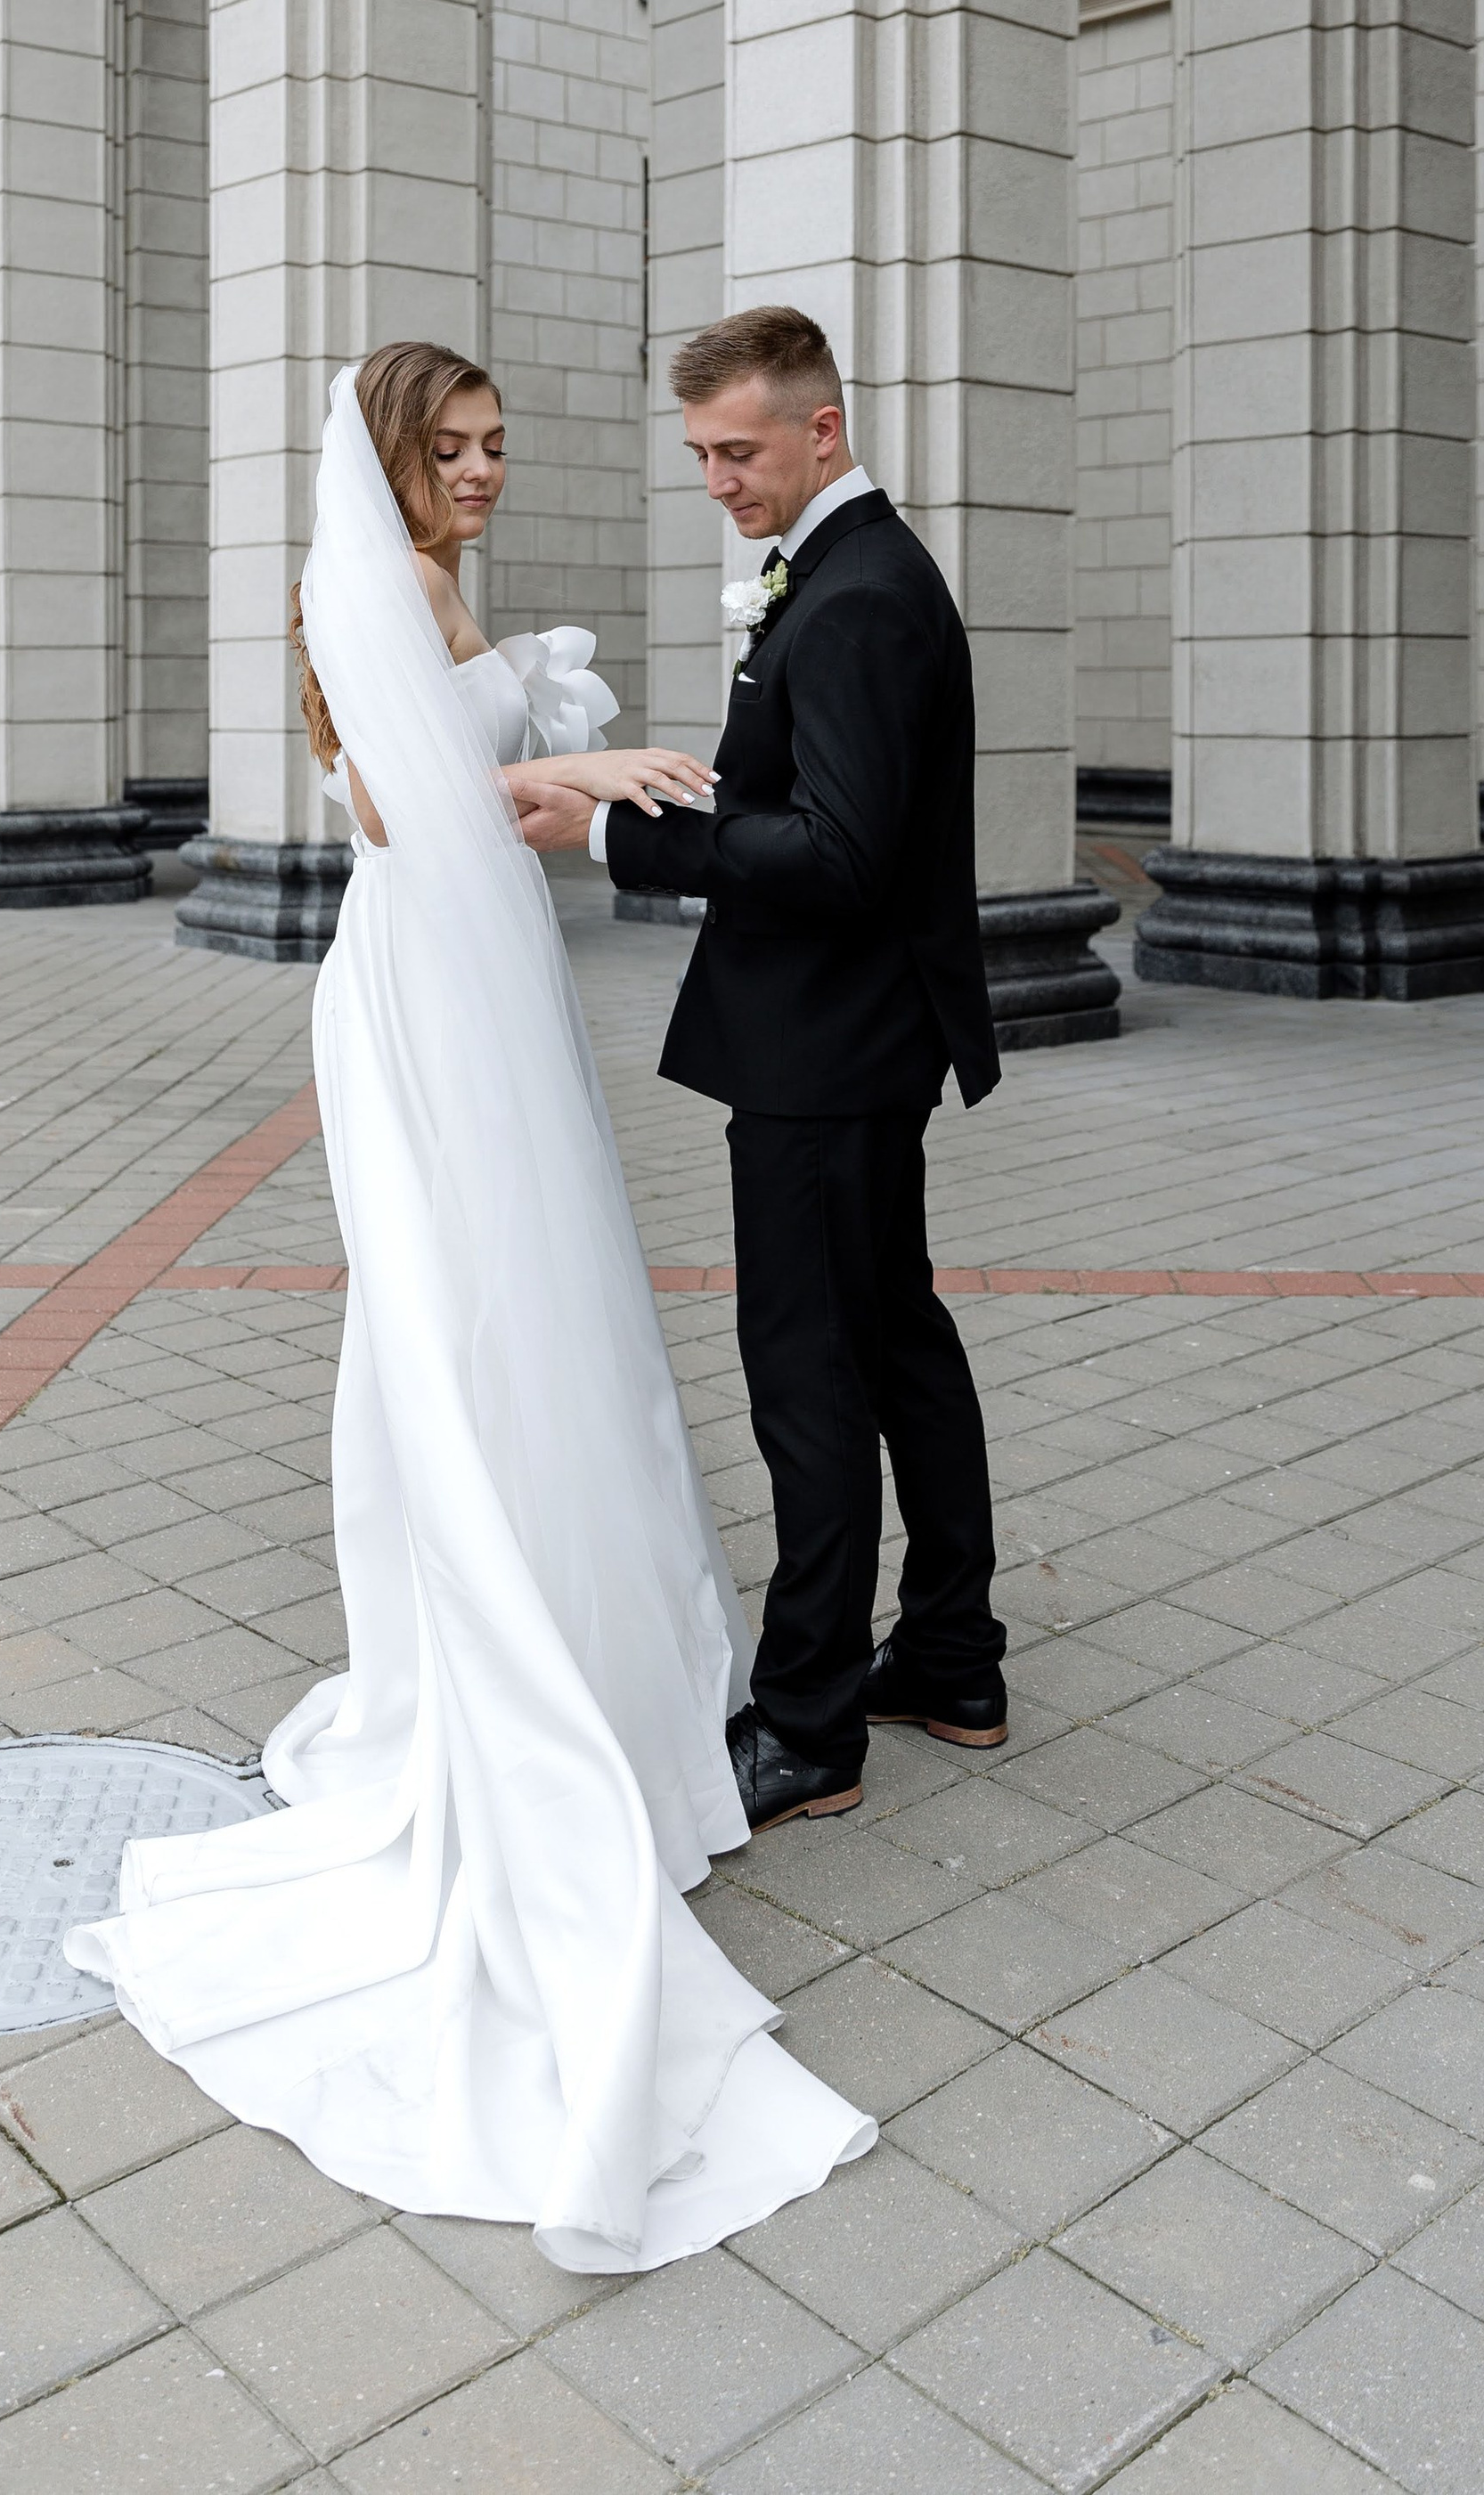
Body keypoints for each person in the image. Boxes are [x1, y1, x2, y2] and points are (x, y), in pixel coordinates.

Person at [68, 344, 871, 2273]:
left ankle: (594, 1655)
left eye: (500, 446)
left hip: (475, 959)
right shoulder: (385, 587)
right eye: (457, 446)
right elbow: (418, 808)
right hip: (430, 964)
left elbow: (443, 774)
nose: (489, 470)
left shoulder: (427, 587)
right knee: (474, 1315)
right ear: (391, 459)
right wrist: (579, 766)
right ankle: (520, 1677)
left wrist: (555, 763)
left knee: (540, 1307)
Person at [527, 306, 1009, 1834]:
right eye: (700, 456)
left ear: (824, 428)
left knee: (812, 1381)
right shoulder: (853, 571)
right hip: (857, 1044)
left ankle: (810, 1726)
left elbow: (845, 858)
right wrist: (697, 781)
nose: (719, 480)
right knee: (900, 1348)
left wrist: (618, 833)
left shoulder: (860, 595)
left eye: (738, 451)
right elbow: (810, 798)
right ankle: (950, 1656)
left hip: (828, 1054)